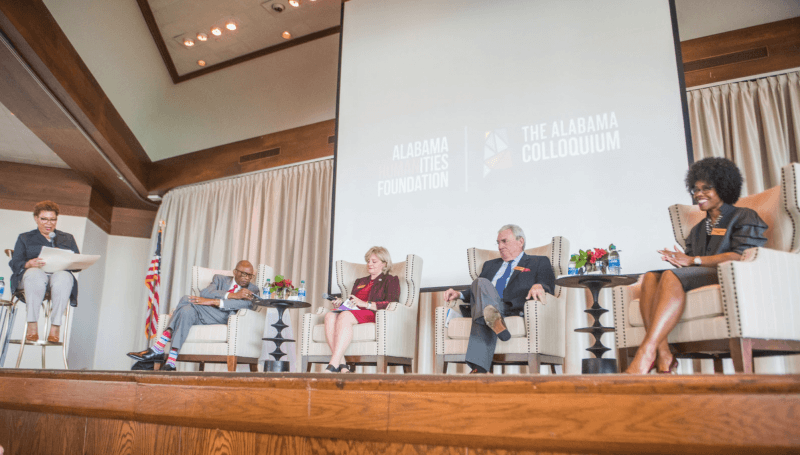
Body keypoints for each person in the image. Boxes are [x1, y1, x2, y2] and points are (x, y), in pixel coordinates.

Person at [625, 157, 768, 374]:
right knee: (651, 276)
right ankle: (664, 355)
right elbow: (690, 265)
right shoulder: (698, 229)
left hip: (729, 275)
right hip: (702, 275)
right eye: (696, 189)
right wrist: (680, 260)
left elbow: (742, 256)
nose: (699, 194)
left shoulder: (743, 216)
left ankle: (646, 352)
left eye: (706, 188)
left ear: (724, 187)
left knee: (670, 276)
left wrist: (693, 260)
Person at [442, 224, 556, 374]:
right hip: (487, 304)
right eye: (498, 242)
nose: (500, 246)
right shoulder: (490, 265)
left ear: (520, 241)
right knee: (480, 284)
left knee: (483, 308)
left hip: (512, 307)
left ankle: (479, 369)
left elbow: (548, 284)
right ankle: (495, 321)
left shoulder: (538, 261)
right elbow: (478, 291)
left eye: (504, 241)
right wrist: (459, 295)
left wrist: (539, 285)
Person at [127, 260, 259, 371]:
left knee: (186, 299)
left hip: (225, 316)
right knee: (186, 310)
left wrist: (214, 301)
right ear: (235, 272)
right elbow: (205, 293)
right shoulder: (220, 279)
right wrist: (232, 295)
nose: (247, 278)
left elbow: (247, 305)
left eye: (250, 275)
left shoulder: (253, 289)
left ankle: (158, 347)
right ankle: (171, 362)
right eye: (244, 274)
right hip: (203, 312)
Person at [8, 201, 80, 343]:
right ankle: (32, 323)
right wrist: (28, 264)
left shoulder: (67, 238)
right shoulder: (25, 238)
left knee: (64, 276)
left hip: (58, 279)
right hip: (32, 279)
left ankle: (56, 325)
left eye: (53, 219)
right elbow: (15, 262)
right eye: (44, 219)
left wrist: (65, 258)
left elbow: (77, 265)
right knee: (35, 273)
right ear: (36, 218)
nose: (49, 223)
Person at [324, 246, 400, 373]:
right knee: (329, 315)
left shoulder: (390, 280)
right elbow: (352, 302)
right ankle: (342, 366)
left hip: (372, 312)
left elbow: (391, 303)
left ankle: (332, 365)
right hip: (353, 311)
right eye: (368, 261)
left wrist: (365, 304)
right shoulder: (360, 281)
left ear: (384, 263)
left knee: (345, 316)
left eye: (374, 261)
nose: (370, 264)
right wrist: (341, 304)